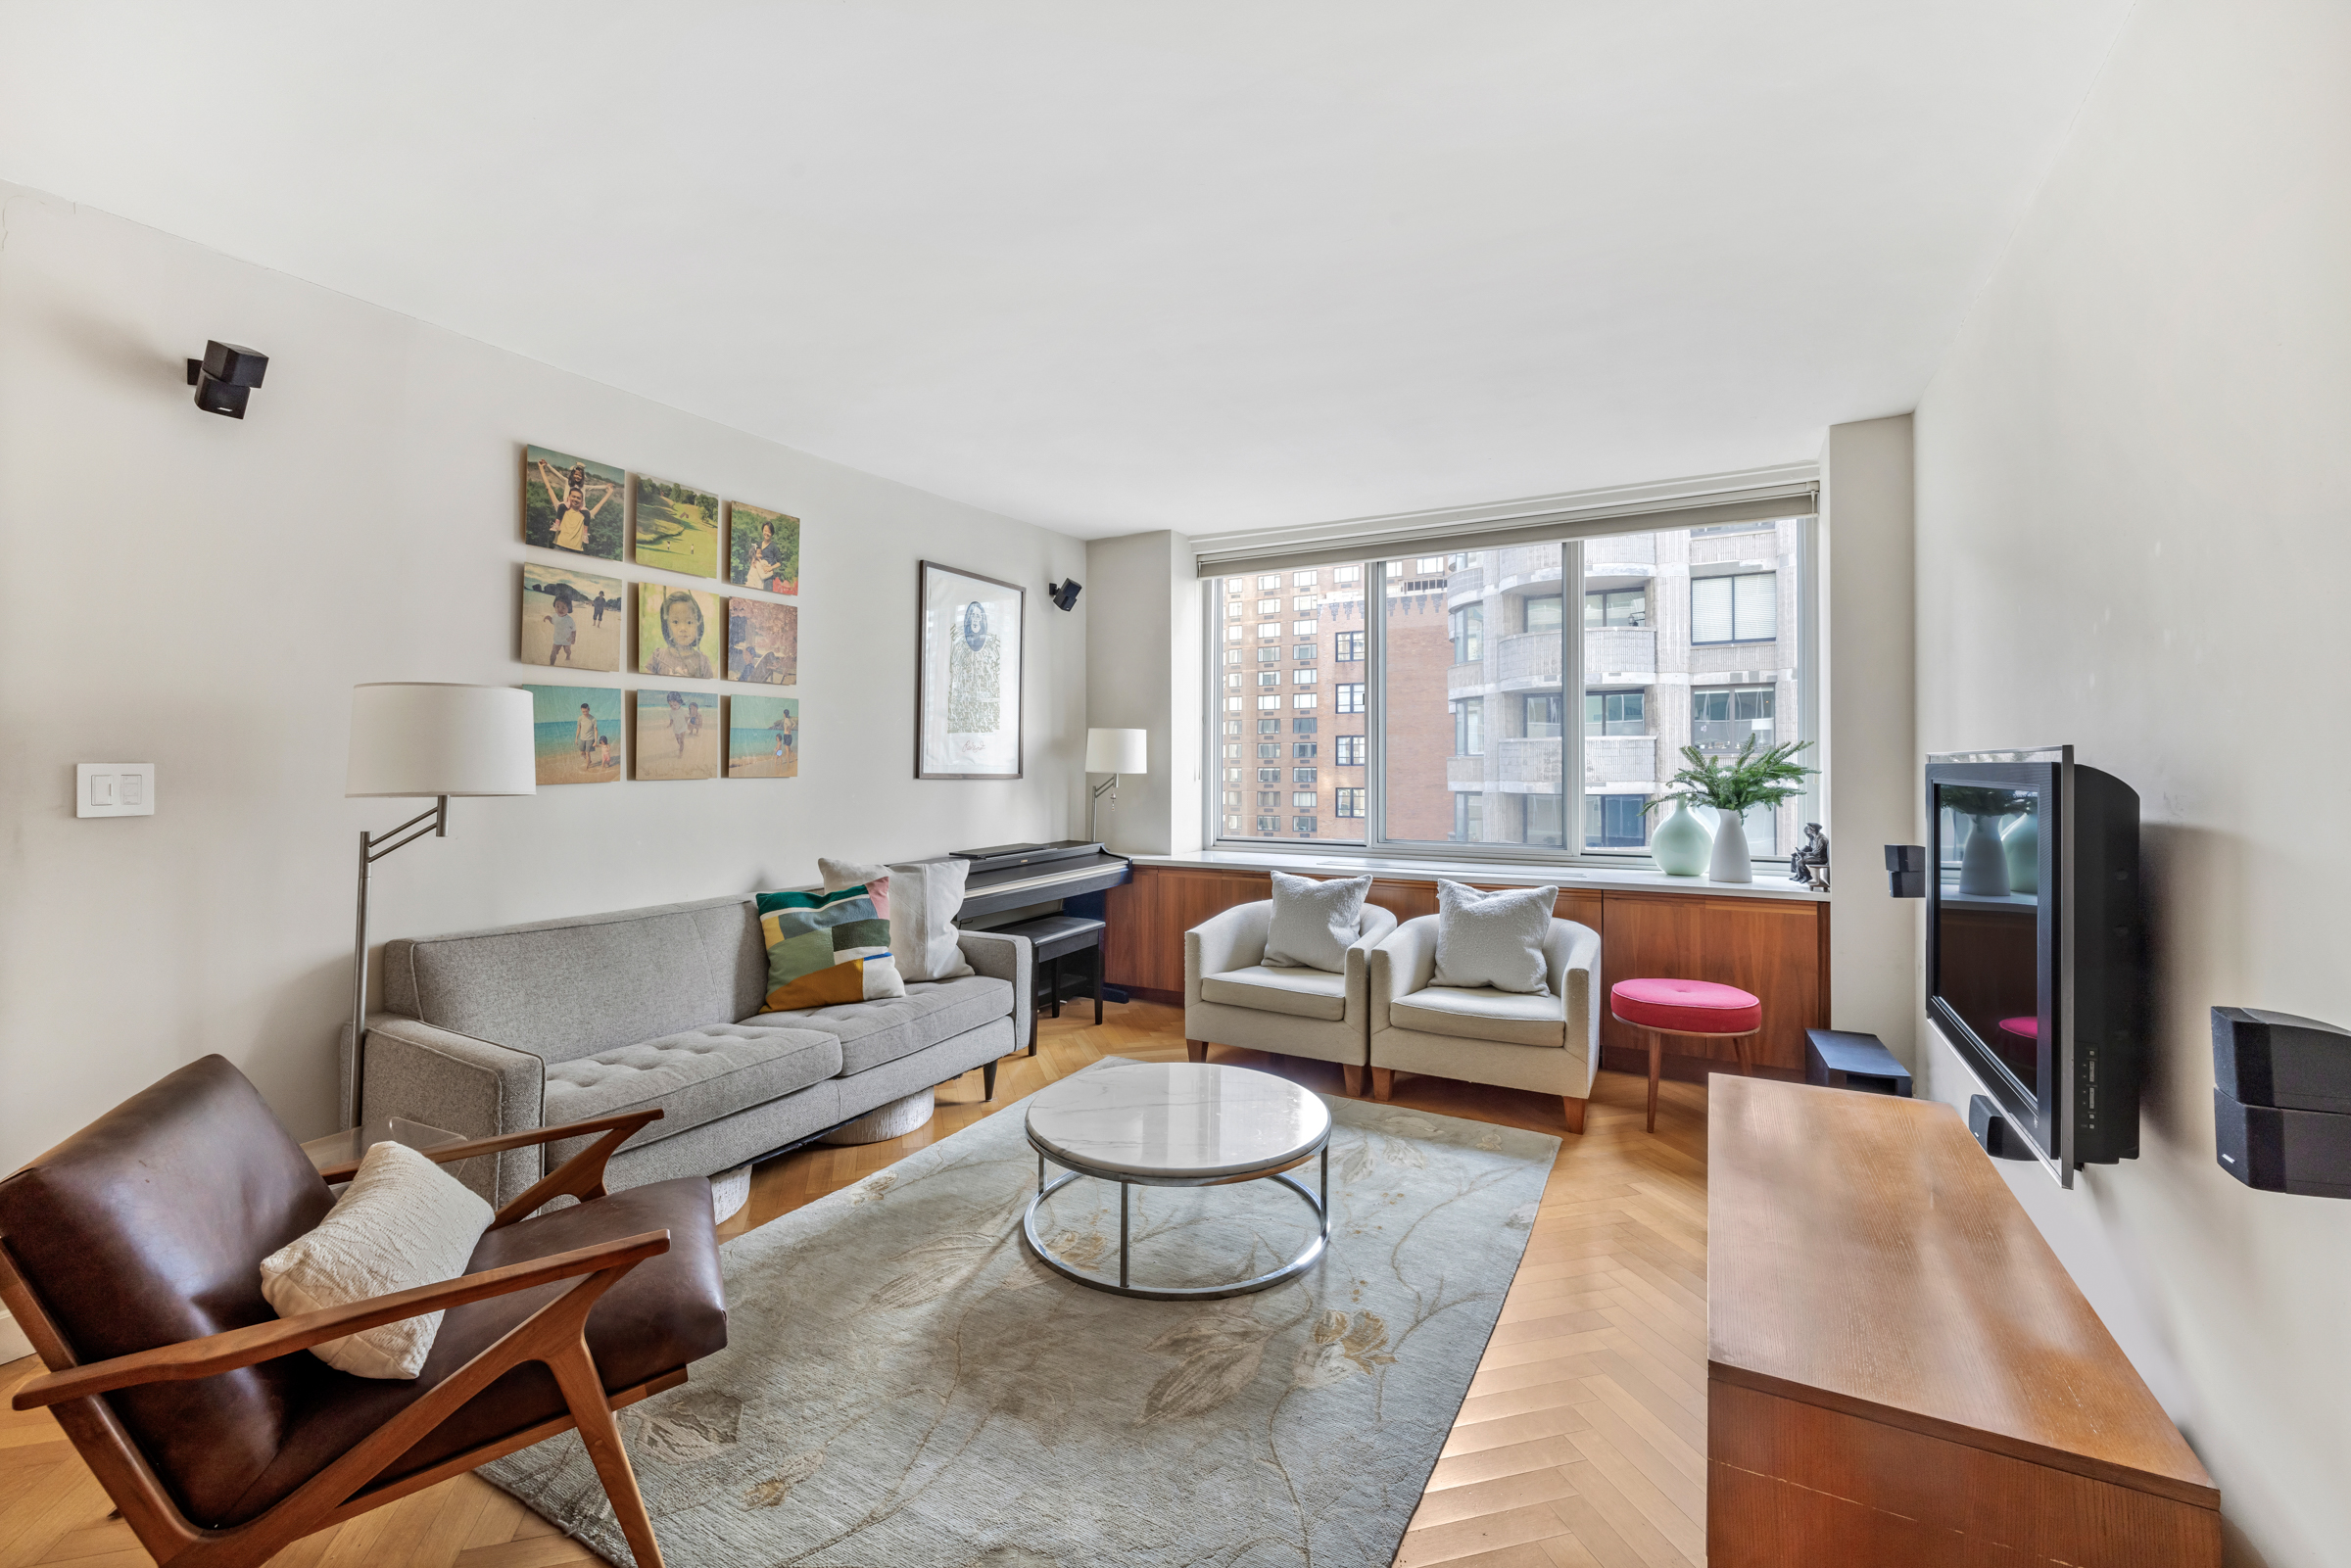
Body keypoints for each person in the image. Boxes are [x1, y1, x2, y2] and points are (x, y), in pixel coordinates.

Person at [535, 457, 615, 554]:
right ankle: (556, 524)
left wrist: (607, 489)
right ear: (569, 496)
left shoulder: (585, 513)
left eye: (578, 498)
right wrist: (544, 466)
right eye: (573, 496)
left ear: (582, 499)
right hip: (559, 547)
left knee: (587, 515)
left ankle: (585, 534)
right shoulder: (561, 507)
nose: (575, 499)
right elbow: (550, 485)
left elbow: (597, 497)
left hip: (576, 550)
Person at [645, 590, 715, 679]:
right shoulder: (658, 657)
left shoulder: (702, 661)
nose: (683, 628)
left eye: (689, 622)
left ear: (698, 624)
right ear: (666, 625)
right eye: (675, 622)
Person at [542, 588, 577, 665]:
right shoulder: (555, 616)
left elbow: (573, 630)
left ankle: (568, 655)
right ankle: (551, 664)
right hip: (557, 639)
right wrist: (548, 618)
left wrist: (573, 638)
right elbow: (553, 622)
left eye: (563, 607)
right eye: (557, 606)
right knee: (553, 652)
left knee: (567, 650)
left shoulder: (569, 620)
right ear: (554, 606)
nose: (560, 609)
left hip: (567, 639)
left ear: (569, 609)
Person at [665, 691, 693, 758]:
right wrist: (670, 724)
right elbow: (671, 719)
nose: (673, 707)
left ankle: (681, 751)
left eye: (675, 705)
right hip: (676, 728)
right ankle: (680, 746)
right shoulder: (671, 712)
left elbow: (687, 717)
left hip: (683, 727)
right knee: (678, 740)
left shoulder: (682, 710)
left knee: (681, 740)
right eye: (671, 705)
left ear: (679, 703)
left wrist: (689, 723)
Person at [573, 702, 600, 768]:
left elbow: (595, 730)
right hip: (582, 738)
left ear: (589, 709)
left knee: (587, 753)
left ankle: (587, 767)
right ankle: (589, 761)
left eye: (586, 711)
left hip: (590, 738)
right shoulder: (580, 718)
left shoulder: (593, 719)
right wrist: (576, 738)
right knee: (582, 753)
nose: (585, 713)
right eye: (583, 712)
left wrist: (595, 741)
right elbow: (578, 728)